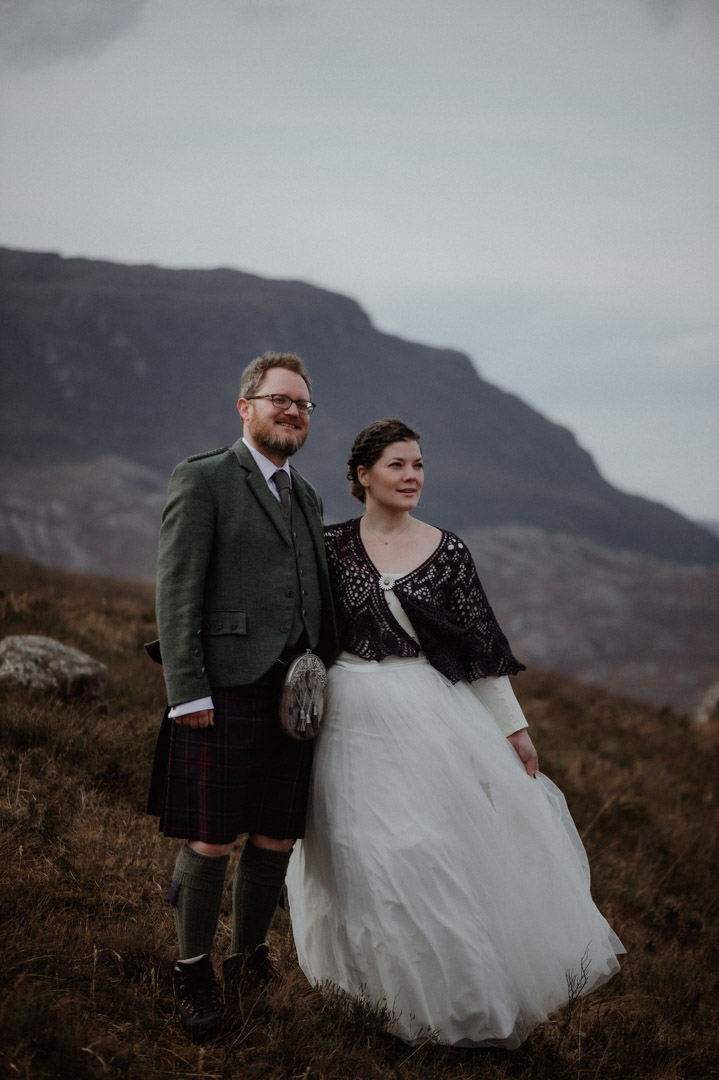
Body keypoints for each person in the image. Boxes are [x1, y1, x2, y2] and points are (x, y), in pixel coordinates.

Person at [286, 417, 624, 1049]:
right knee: (359, 858)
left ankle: (461, 1010)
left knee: (425, 854)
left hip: (427, 719)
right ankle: (377, 1005)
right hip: (346, 722)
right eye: (397, 465)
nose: (412, 476)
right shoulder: (329, 545)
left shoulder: (449, 551)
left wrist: (514, 730)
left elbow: (482, 652)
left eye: (418, 465)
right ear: (363, 475)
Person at [146, 352, 337, 1040]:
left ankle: (246, 959)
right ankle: (192, 968)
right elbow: (176, 589)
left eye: (302, 404)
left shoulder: (307, 495)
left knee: (276, 835)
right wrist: (186, 689)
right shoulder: (203, 479)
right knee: (211, 837)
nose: (291, 411)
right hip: (222, 690)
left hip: (294, 696)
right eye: (278, 399)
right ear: (245, 407)